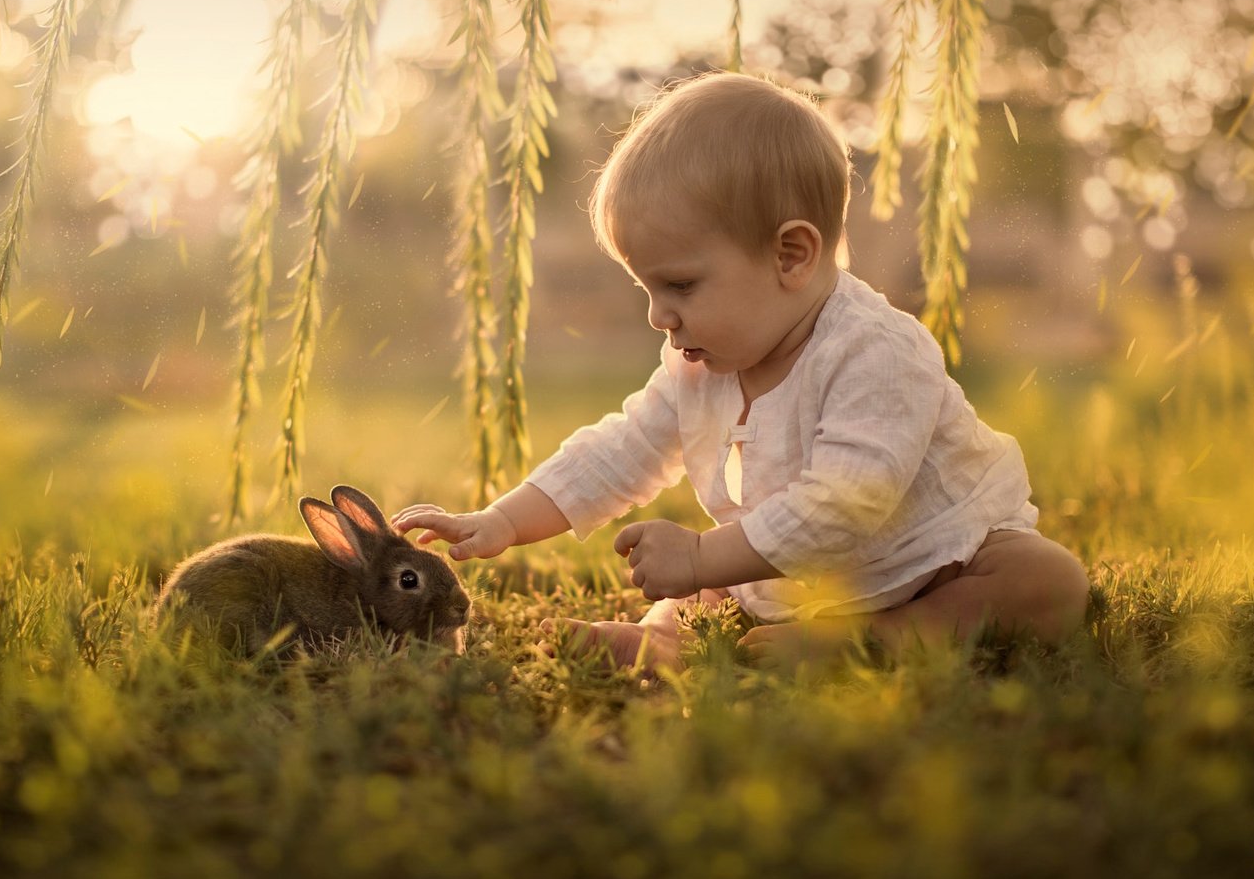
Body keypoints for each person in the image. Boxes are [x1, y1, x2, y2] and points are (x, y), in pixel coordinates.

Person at [392, 72, 1090, 673]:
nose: (659, 318)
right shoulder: (703, 363)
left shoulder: (878, 352)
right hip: (783, 574)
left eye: (682, 287)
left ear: (791, 256)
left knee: (1043, 578)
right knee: (706, 592)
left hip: (928, 564)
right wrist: (504, 520)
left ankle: (881, 639)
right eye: (647, 291)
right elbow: (622, 448)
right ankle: (664, 641)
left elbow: (849, 503)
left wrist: (702, 558)